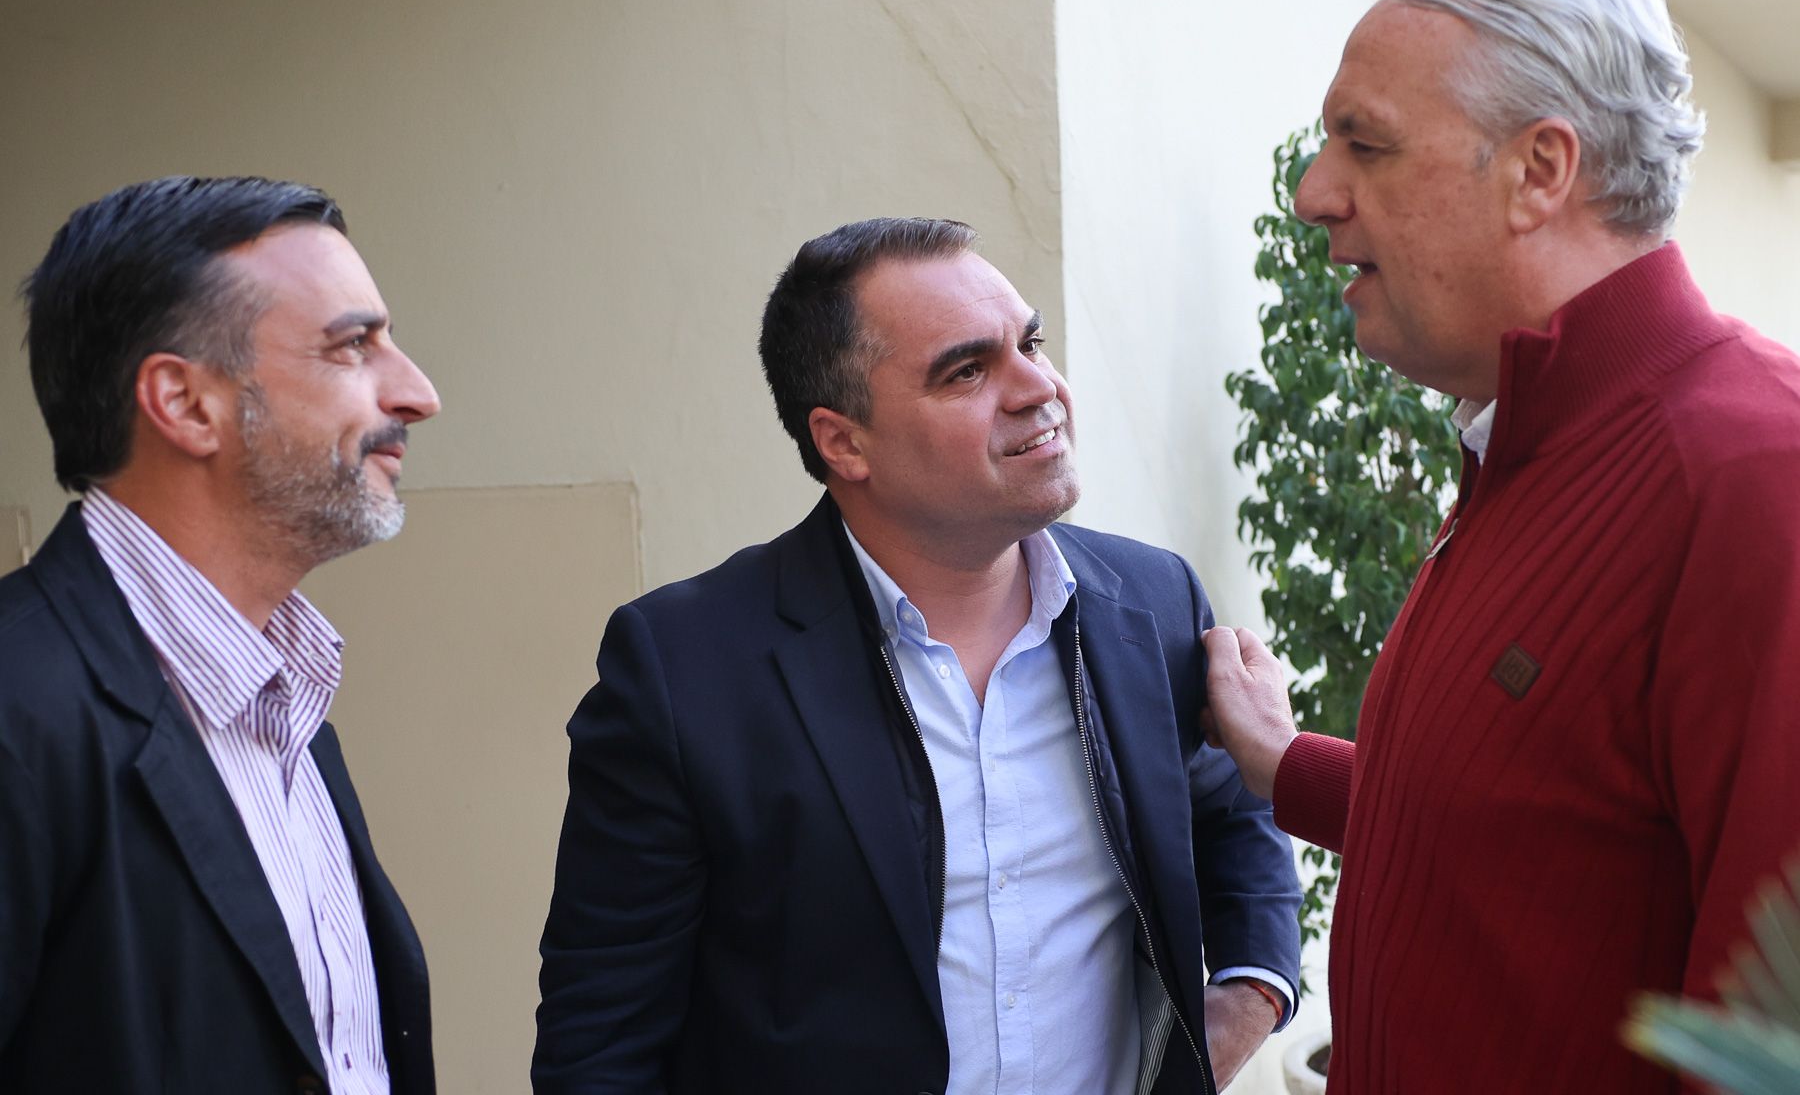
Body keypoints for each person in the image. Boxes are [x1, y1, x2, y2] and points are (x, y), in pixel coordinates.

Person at [1200, 0, 1800, 1093]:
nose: (1313, 193)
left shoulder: (1749, 476)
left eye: (1364, 144)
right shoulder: (1520, 446)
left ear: (1541, 170)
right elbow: (1534, 831)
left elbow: (1769, 1042)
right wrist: (1286, 769)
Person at [534, 218, 1301, 1093]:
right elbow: (599, 1042)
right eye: (968, 370)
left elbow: (1233, 811)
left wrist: (1249, 991)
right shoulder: (685, 668)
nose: (1037, 387)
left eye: (1032, 343)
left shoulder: (1151, 604)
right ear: (844, 442)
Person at [0, 176, 441, 1093]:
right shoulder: (21, 709)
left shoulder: (289, 703)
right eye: (353, 346)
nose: (416, 393)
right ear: (184, 403)